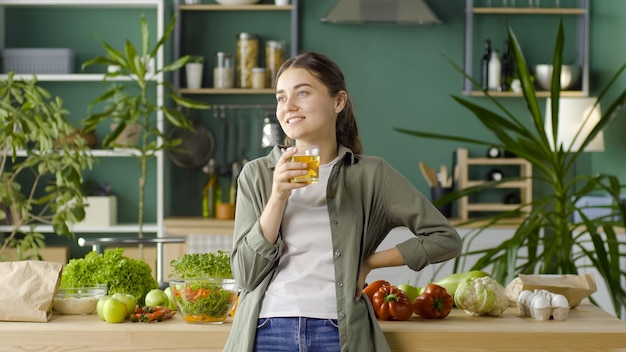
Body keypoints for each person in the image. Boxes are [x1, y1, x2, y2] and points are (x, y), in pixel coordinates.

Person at [223, 52, 462, 352]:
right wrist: (278, 197)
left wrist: (368, 263)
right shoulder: (257, 174)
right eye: (281, 97)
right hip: (268, 329)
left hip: (338, 331)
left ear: (338, 102)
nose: (289, 106)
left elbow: (445, 238)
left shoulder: (371, 175)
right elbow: (245, 275)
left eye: (303, 93)